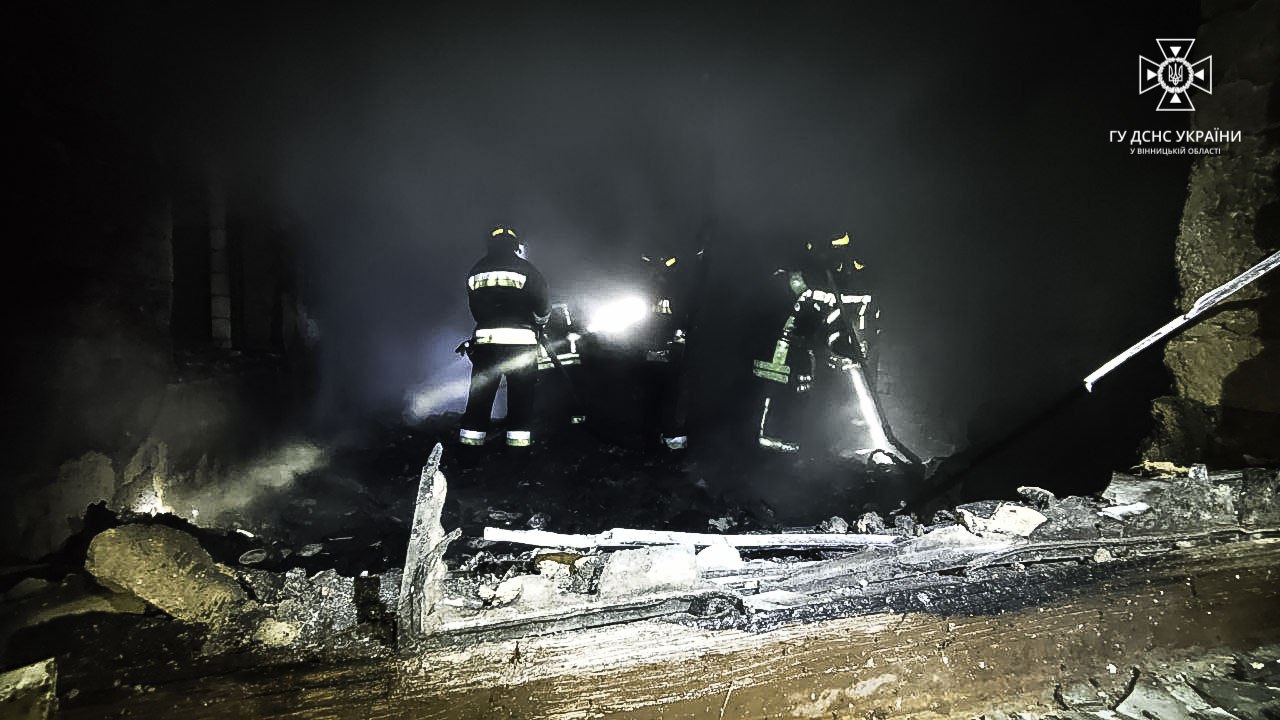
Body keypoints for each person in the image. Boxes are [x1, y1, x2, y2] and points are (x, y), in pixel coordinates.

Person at [752, 231, 894, 462]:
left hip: (813, 348)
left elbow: (841, 318)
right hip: (787, 347)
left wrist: (848, 346)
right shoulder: (800, 276)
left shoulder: (846, 280)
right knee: (783, 391)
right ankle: (775, 442)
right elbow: (798, 312)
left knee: (814, 395)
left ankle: (814, 442)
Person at [457, 226, 550, 451]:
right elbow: (543, 304)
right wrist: (541, 323)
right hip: (521, 346)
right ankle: (517, 455)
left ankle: (468, 453)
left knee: (479, 399)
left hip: (486, 345)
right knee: (521, 400)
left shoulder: (476, 270)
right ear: (515, 244)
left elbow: (474, 307)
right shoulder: (526, 269)